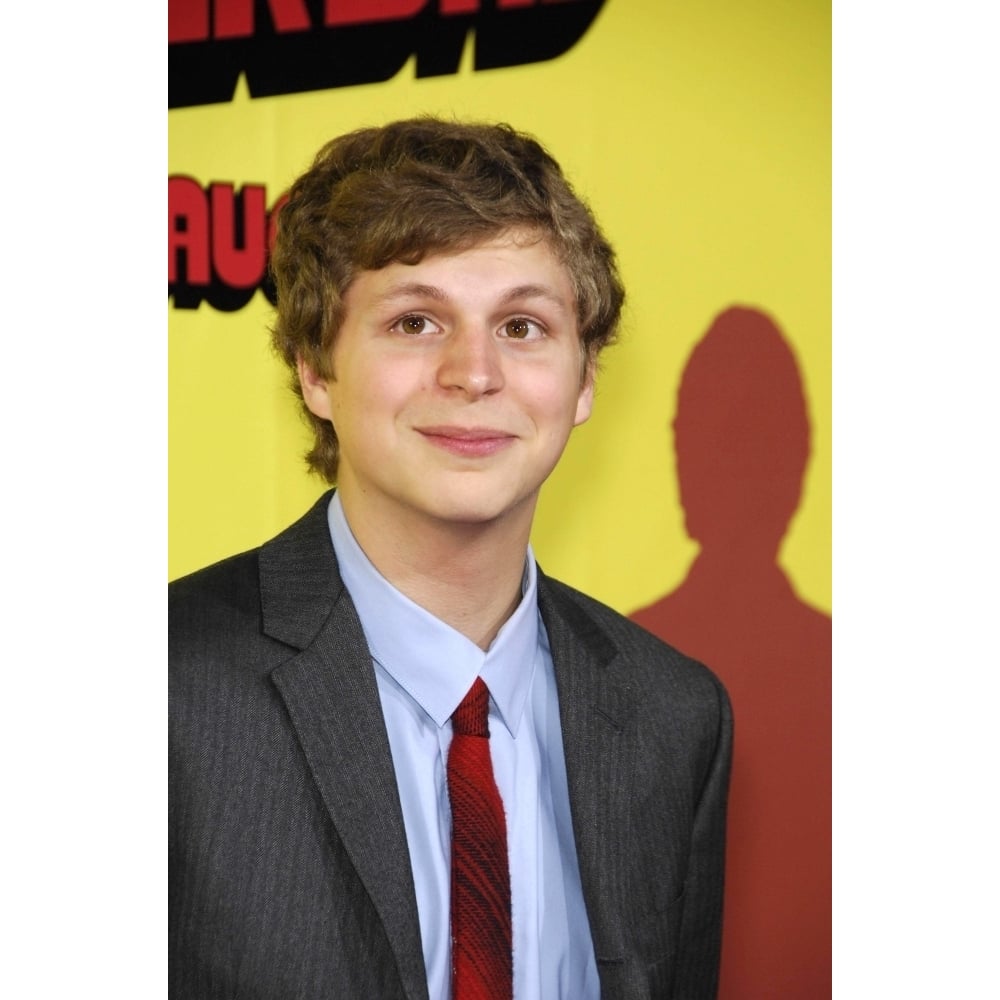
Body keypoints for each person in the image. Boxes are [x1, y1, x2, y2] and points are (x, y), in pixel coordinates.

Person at [169, 116, 732, 1000]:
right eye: (417, 320)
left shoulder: (674, 716)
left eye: (522, 326)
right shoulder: (159, 689)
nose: (474, 373)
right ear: (317, 369)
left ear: (582, 381)